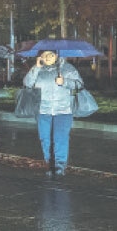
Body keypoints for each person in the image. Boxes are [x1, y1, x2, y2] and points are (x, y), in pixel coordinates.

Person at [22, 50, 84, 178]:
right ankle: (49, 165)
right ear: (41, 57)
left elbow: (79, 84)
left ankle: (60, 166)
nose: (47, 57)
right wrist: (36, 67)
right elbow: (27, 83)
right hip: (43, 110)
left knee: (60, 139)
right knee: (45, 139)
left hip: (63, 111)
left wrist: (65, 82)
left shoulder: (67, 68)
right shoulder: (38, 69)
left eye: (50, 54)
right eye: (45, 55)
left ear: (56, 55)